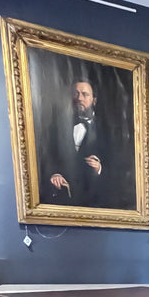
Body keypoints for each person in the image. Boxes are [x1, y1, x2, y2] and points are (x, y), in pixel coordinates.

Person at [38, 78, 133, 208]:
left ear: (94, 100)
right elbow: (46, 157)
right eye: (75, 94)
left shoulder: (109, 131)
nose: (79, 98)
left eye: (85, 94)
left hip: (96, 203)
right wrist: (55, 173)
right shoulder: (57, 127)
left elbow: (120, 169)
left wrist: (99, 169)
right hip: (62, 202)